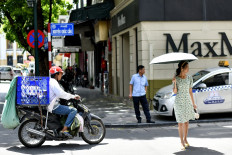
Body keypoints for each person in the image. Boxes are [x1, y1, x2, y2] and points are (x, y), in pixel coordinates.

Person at [48, 66, 80, 138]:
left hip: (51, 103)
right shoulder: (54, 82)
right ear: (56, 74)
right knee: (73, 110)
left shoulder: (51, 81)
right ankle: (64, 130)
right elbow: (60, 93)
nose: (61, 75)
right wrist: (73, 96)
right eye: (60, 74)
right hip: (54, 106)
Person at [172, 61, 197, 151]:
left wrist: (193, 103)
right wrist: (174, 83)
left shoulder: (189, 78)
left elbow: (190, 91)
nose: (188, 69)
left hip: (187, 101)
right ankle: (181, 141)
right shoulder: (176, 78)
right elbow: (174, 92)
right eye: (187, 67)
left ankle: (185, 138)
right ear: (182, 68)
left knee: (186, 122)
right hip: (178, 102)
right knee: (180, 123)